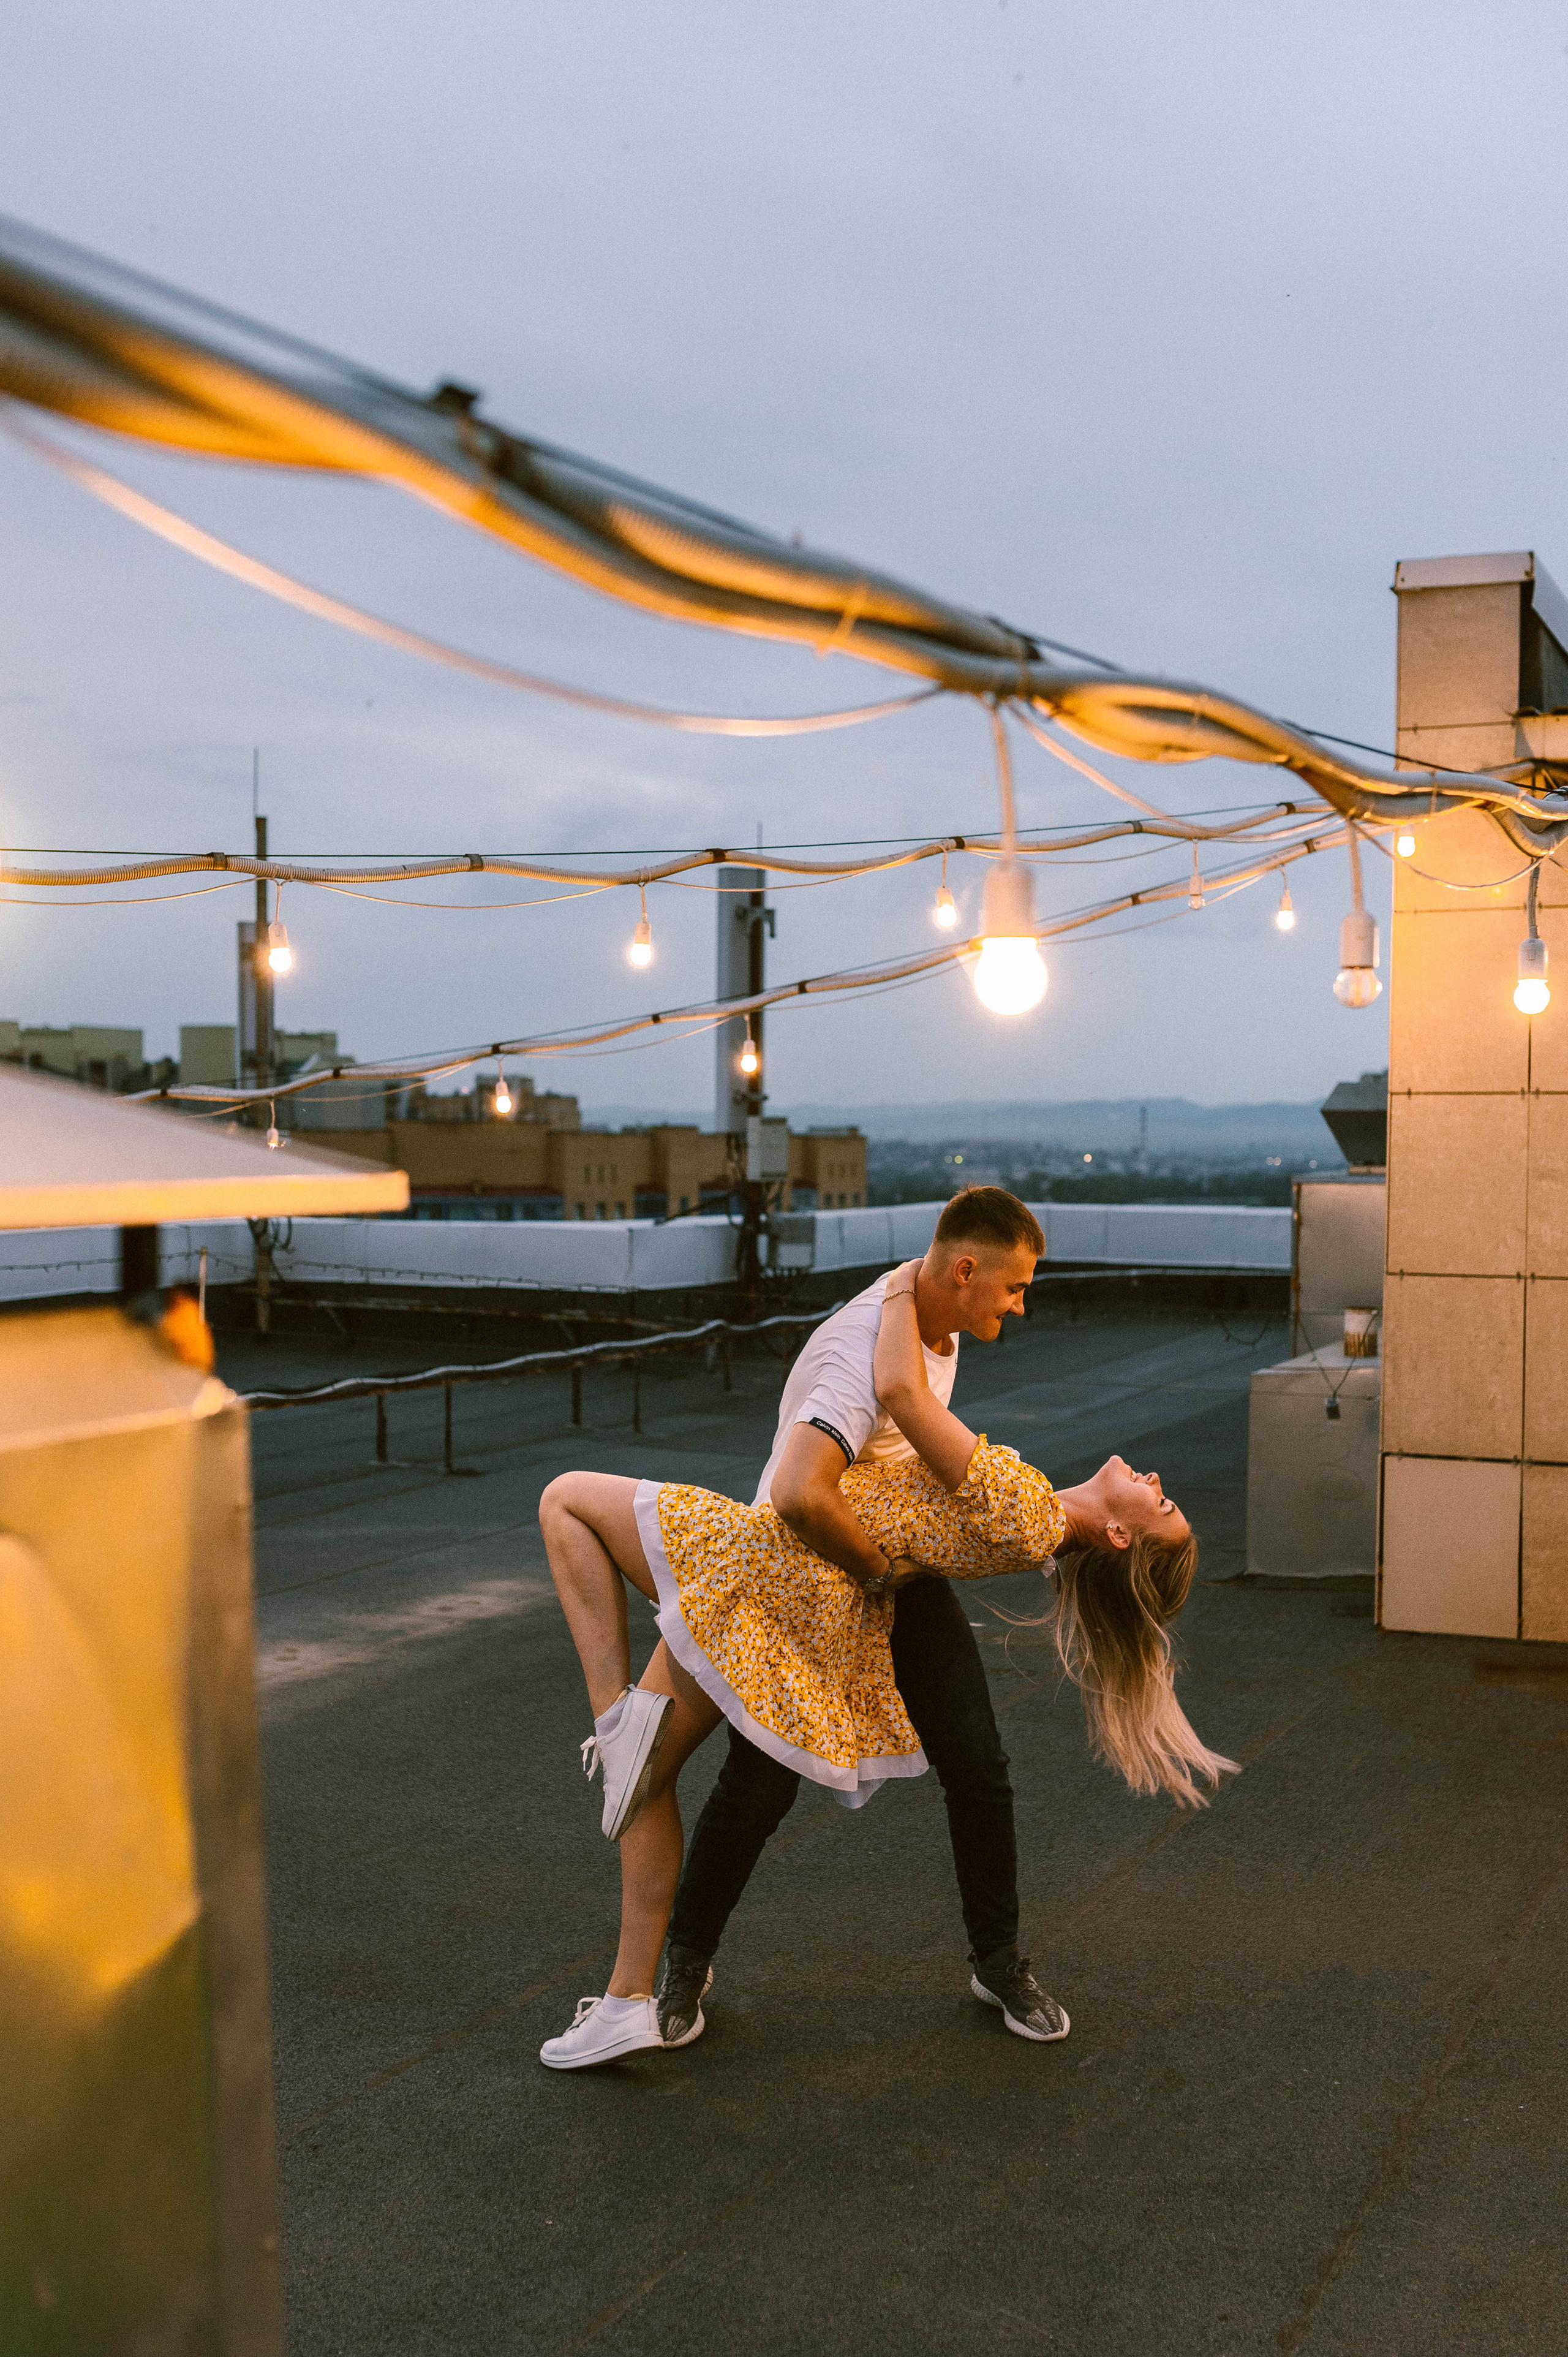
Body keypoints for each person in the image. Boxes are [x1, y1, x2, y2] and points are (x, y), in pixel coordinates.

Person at [535, 1201, 1231, 2068]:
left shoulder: (1001, 1461)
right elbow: (808, 1486)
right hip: (824, 1566)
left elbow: (924, 1426)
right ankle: (683, 1963)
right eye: (1014, 1287)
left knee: (977, 1765)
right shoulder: (871, 1353)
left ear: (1120, 1536)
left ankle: (997, 1963)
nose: (1022, 1305)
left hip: (886, 1572)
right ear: (964, 1273)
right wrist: (873, 1564)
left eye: (1161, 1502)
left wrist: (906, 1285)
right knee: (758, 1782)